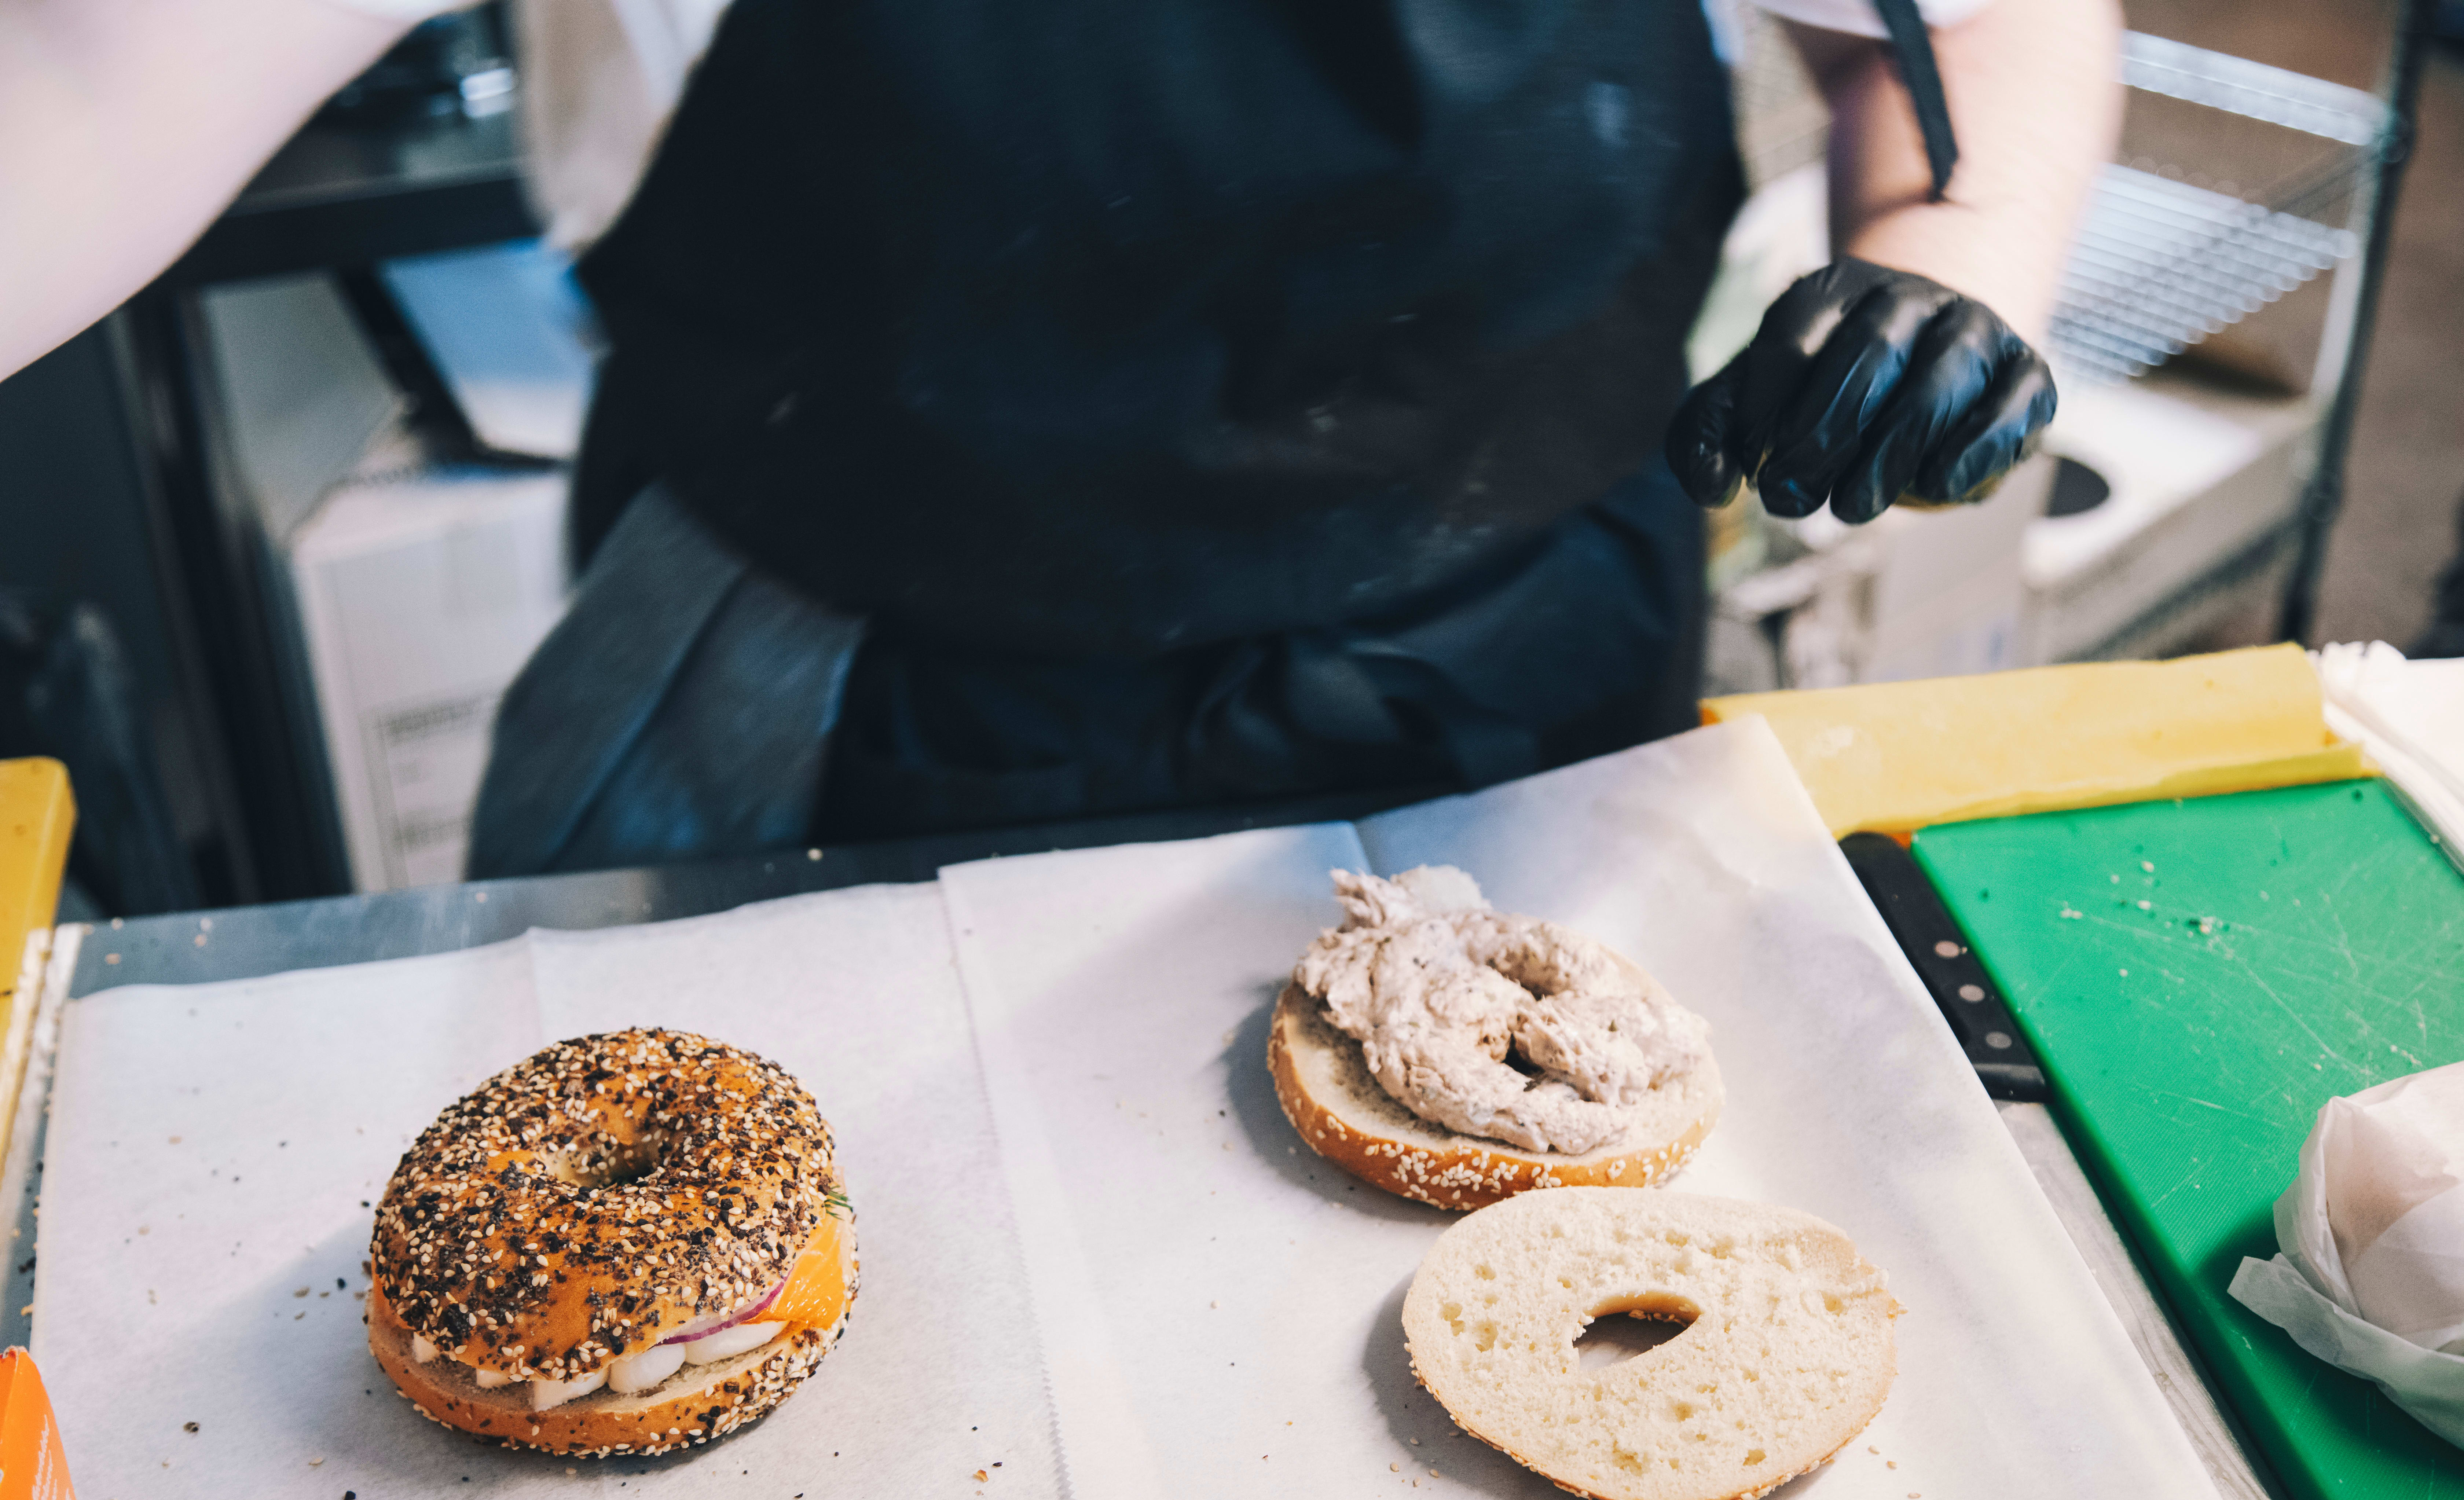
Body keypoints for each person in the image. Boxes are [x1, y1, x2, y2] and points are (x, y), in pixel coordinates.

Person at [0, 0, 2119, 874]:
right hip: (816, 697)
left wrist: (1954, 257)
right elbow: (87, 91)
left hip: (1532, 667)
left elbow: (1964, 32)